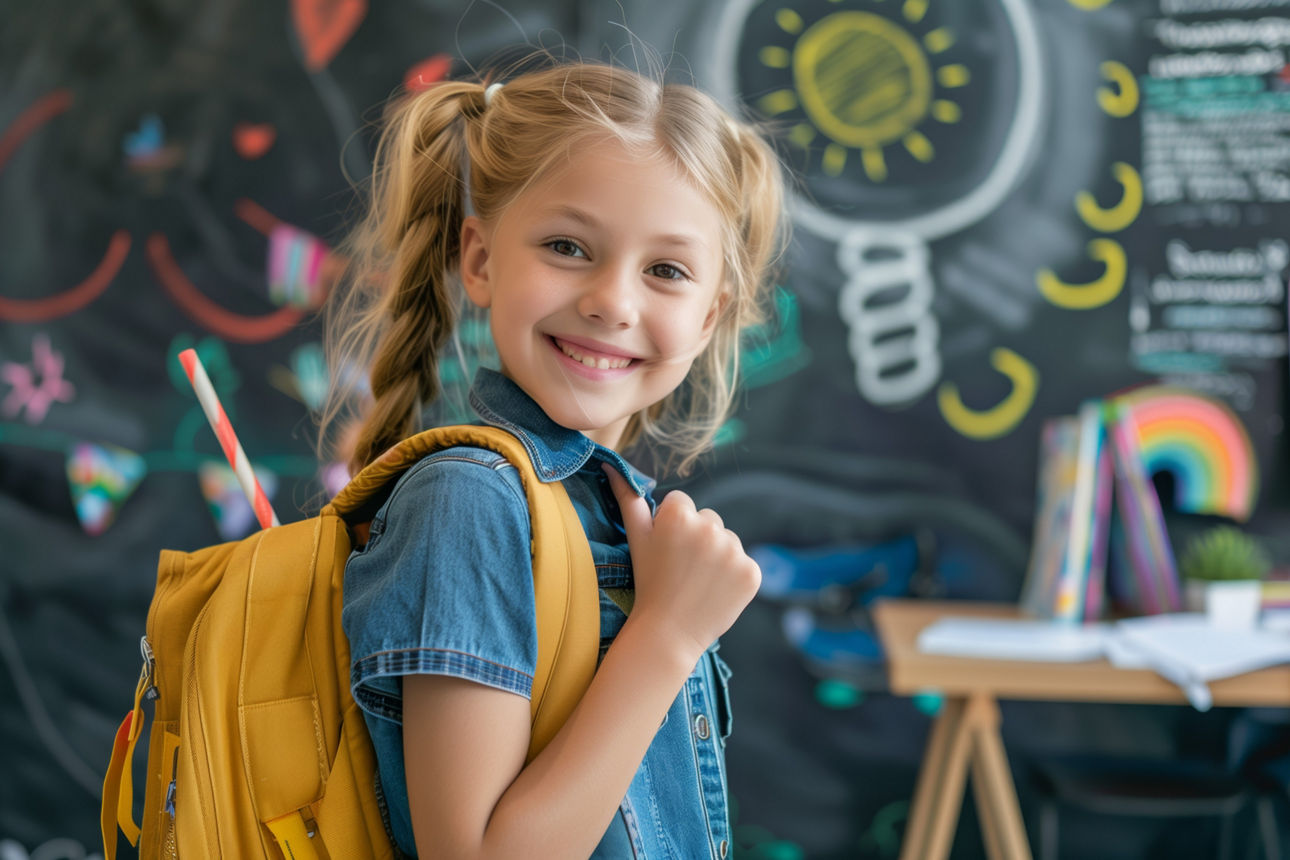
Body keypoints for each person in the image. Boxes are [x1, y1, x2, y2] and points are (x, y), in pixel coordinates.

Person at [323, 57, 785, 859]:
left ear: (710, 317)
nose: (613, 300)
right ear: (480, 260)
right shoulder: (469, 501)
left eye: (667, 270)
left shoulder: (598, 509)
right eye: (568, 246)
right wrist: (666, 637)